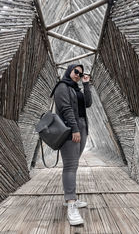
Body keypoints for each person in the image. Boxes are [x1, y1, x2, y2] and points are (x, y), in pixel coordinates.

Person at [51, 64, 92, 225]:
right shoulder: (62, 86)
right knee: (69, 165)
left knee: (73, 165)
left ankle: (69, 197)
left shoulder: (76, 88)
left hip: (82, 127)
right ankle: (70, 204)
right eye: (76, 72)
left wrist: (86, 84)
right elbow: (66, 109)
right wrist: (74, 129)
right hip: (70, 129)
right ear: (69, 71)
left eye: (81, 74)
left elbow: (87, 104)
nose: (78, 75)